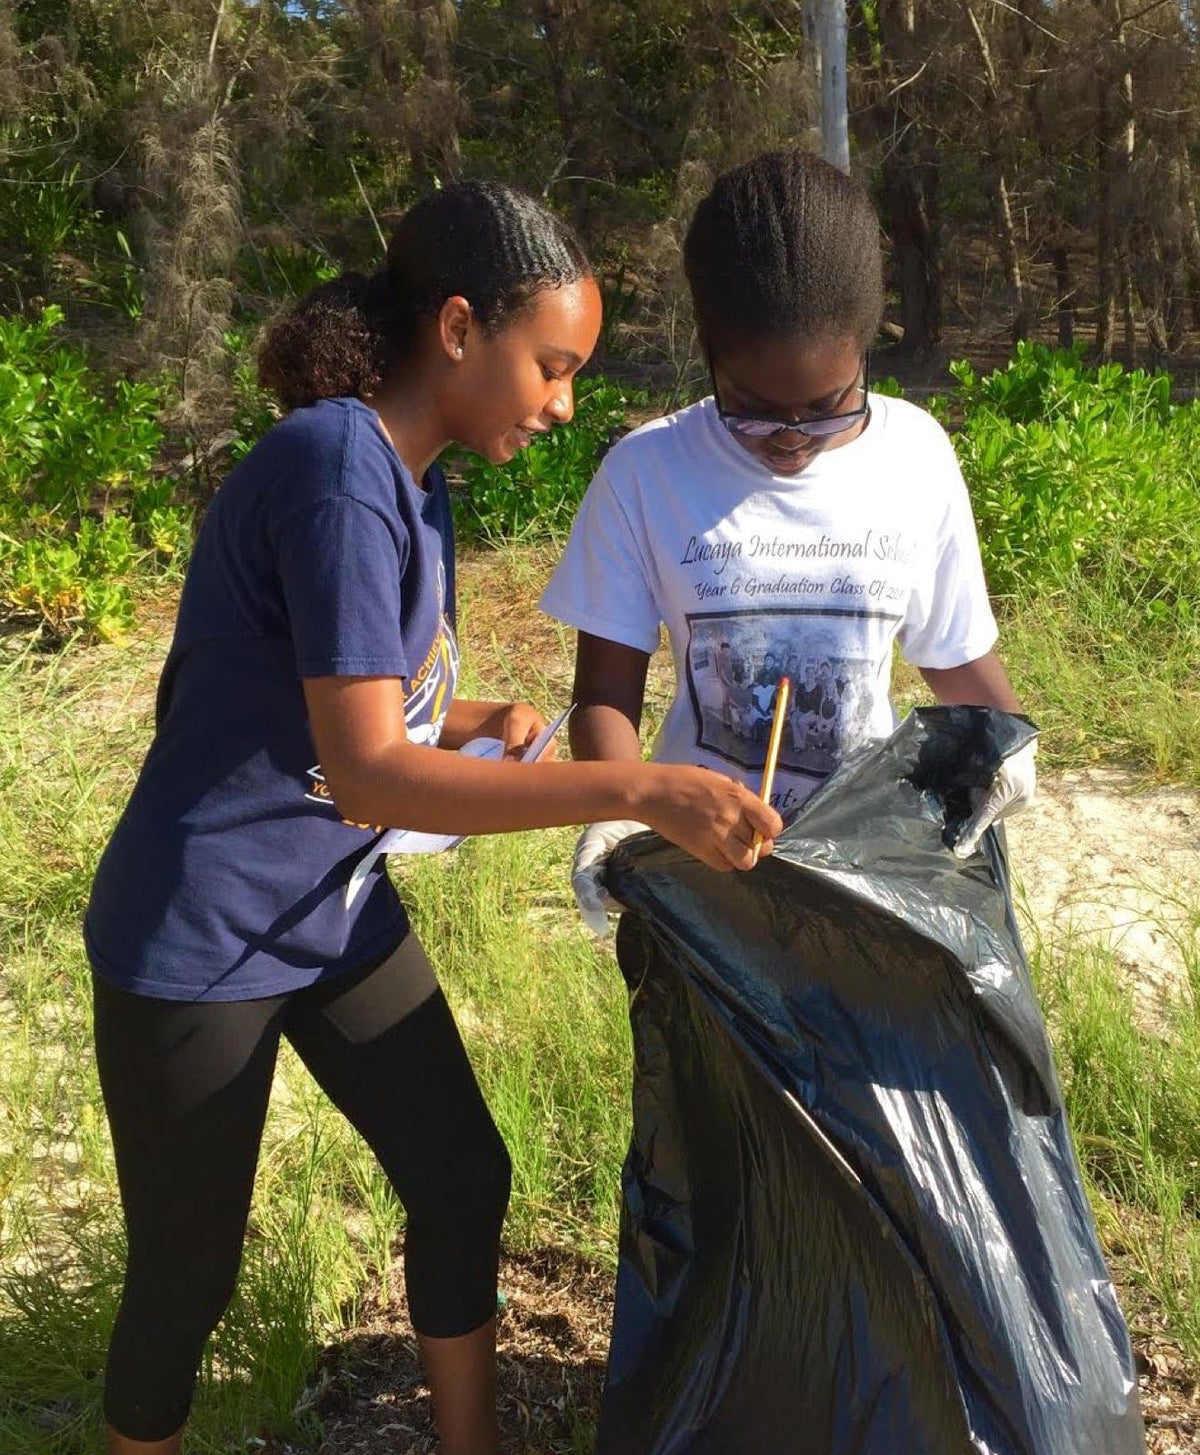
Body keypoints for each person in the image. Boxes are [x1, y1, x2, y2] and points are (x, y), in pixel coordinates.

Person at [83, 182, 782, 1455]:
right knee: (187, 1280)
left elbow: (356, 708)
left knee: (461, 1178)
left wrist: (469, 719)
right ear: (459, 329)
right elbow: (368, 778)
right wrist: (636, 788)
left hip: (329, 912)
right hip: (202, 937)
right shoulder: (337, 471)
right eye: (552, 367)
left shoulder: (415, 480)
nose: (564, 403)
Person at [536, 150, 1037, 933]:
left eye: (829, 406)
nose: (792, 439)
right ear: (708, 353)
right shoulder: (646, 475)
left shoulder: (916, 457)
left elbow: (953, 653)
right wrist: (619, 806)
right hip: (699, 875)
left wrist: (1008, 742)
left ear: (867, 348)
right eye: (755, 409)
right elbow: (605, 695)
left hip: (864, 870)